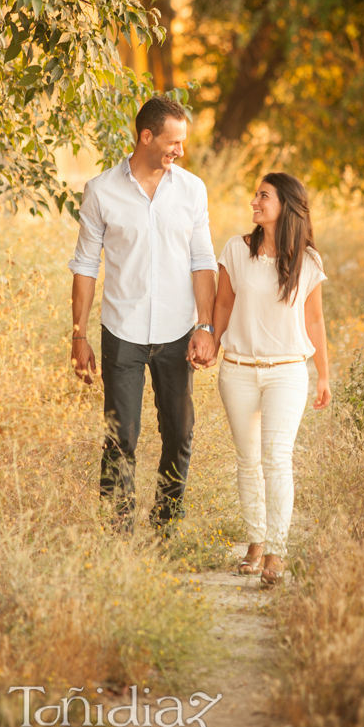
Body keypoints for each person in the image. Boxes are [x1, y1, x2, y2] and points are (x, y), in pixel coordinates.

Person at [68, 95, 218, 532]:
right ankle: (118, 531)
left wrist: (205, 326)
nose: (180, 151)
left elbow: (202, 258)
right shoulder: (101, 190)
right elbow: (84, 265)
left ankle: (166, 523)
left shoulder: (191, 189)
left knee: (179, 432)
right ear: (146, 137)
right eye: (173, 142)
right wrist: (79, 335)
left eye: (183, 143)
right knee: (122, 437)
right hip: (123, 331)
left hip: (177, 332)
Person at [208, 172, 330, 586]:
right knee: (248, 461)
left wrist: (324, 375)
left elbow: (314, 319)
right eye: (255, 195)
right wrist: (209, 340)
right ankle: (255, 542)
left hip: (287, 372)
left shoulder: (308, 262)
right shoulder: (236, 251)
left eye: (264, 196)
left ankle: (276, 552)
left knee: (277, 459)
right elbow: (222, 303)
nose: (254, 202)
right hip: (238, 370)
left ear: (286, 206)